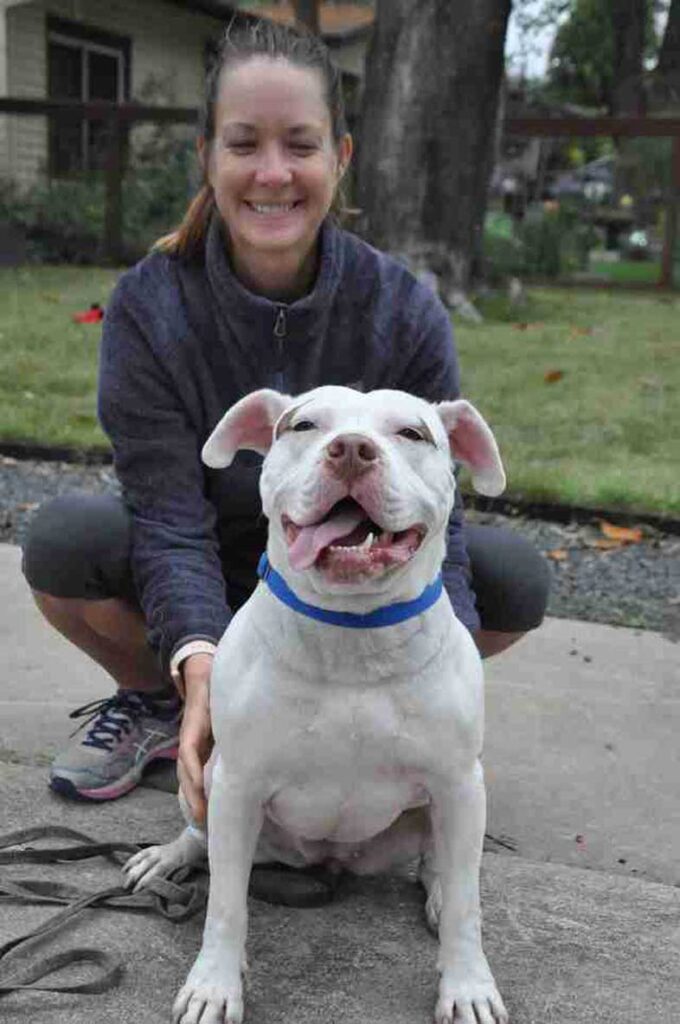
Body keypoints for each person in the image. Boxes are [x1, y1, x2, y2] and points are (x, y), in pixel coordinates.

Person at [22, 19, 549, 830]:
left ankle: (373, 722)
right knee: (64, 540)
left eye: (299, 145)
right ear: (207, 156)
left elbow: (437, 503)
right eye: (244, 144)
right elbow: (167, 520)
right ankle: (165, 703)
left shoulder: (402, 308)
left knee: (512, 578)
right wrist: (204, 666)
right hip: (214, 573)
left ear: (339, 157)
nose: (273, 173)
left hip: (353, 573)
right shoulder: (148, 305)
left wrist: (449, 709)